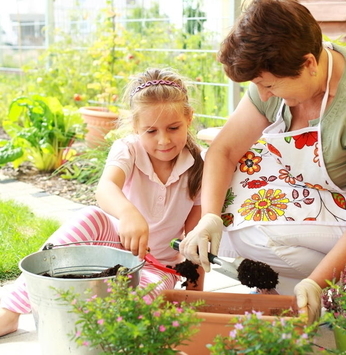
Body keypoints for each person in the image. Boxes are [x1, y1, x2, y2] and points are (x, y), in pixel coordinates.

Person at [0, 67, 204, 337]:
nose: (163, 140)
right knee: (89, 216)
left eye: (173, 128)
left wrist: (197, 302)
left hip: (159, 266)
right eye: (151, 130)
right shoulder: (129, 149)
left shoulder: (200, 164)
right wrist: (128, 213)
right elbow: (106, 187)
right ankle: (10, 311)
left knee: (142, 300)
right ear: (135, 127)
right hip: (112, 243)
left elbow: (196, 242)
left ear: (189, 118)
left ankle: (96, 331)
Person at [179, 0, 346, 324]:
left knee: (262, 231)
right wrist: (209, 218)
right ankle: (300, 292)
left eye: (268, 85)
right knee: (226, 226)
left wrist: (318, 279)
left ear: (309, 63)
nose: (263, 96)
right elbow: (224, 151)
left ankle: (319, 289)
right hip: (312, 198)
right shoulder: (277, 75)